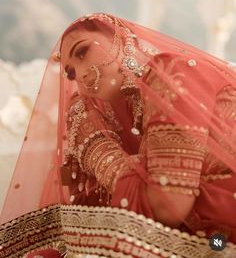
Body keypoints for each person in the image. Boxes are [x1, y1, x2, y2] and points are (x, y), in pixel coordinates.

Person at [1, 13, 236, 258]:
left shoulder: (172, 72)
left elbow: (167, 208)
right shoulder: (126, 122)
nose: (80, 75)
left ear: (123, 40)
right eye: (70, 73)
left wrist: (98, 149)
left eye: (83, 52)